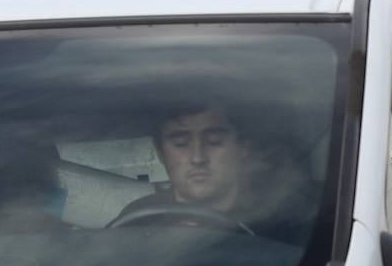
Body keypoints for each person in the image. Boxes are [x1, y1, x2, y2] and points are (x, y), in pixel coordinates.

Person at [114, 102, 314, 243]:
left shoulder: (282, 223)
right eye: (181, 144)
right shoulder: (136, 221)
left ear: (242, 147)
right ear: (161, 152)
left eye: (215, 141)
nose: (198, 157)